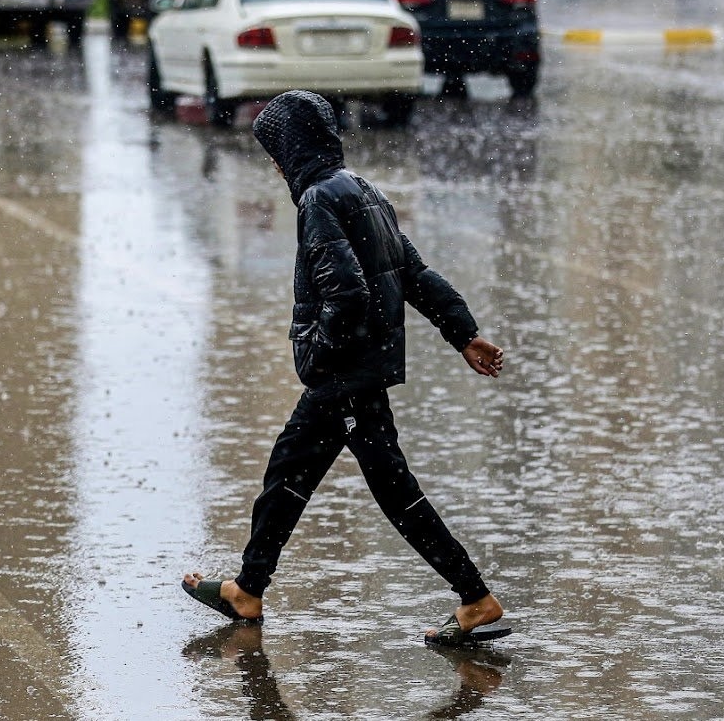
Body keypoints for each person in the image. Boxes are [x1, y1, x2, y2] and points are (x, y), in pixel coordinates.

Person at [182, 90, 506, 646]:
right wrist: (464, 333)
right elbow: (414, 274)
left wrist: (314, 349)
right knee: (297, 474)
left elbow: (348, 293)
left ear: (293, 147)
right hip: (359, 371)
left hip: (345, 374)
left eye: (276, 152)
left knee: (372, 487)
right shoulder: (364, 190)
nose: (276, 164)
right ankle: (248, 588)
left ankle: (475, 598)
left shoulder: (317, 200)